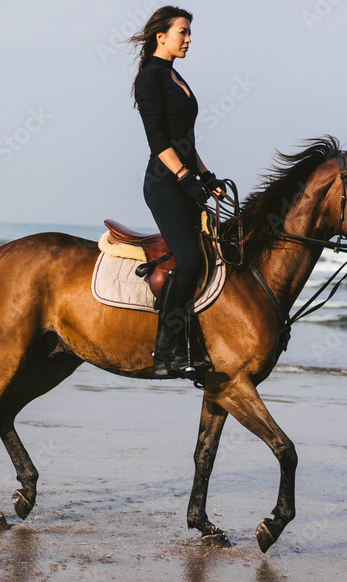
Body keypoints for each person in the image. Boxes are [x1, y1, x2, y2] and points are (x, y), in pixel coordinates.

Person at [129, 6, 223, 379]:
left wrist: (207, 176)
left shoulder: (175, 75)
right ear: (161, 36)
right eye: (182, 32)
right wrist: (185, 177)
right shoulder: (149, 78)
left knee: (213, 255)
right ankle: (165, 353)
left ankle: (200, 343)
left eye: (188, 33)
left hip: (183, 179)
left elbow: (185, 141)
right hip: (163, 184)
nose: (188, 39)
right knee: (188, 260)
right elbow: (158, 140)